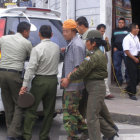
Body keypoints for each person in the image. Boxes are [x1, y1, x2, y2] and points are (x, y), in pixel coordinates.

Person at [61, 30, 118, 140]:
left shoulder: (94, 56)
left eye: (87, 41)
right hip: (92, 87)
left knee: (92, 117)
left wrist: (68, 77)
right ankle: (110, 132)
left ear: (93, 43)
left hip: (96, 87)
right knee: (95, 114)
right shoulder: (93, 53)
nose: (85, 43)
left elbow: (82, 70)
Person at [19, 25, 60, 140]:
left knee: (31, 109)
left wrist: (24, 85)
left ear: (39, 34)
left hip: (40, 81)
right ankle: (44, 136)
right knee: (49, 111)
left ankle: (27, 135)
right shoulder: (56, 47)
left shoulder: (37, 49)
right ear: (51, 35)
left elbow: (31, 68)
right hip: (52, 81)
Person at [0, 22, 32, 140]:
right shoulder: (26, 43)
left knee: (8, 105)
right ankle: (14, 133)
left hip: (2, 74)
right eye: (28, 32)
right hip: (15, 75)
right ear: (24, 31)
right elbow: (32, 58)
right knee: (19, 104)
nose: (28, 34)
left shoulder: (3, 38)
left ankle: (10, 132)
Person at [62, 19, 88, 140]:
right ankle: (85, 131)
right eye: (63, 31)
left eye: (66, 31)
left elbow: (78, 67)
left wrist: (67, 79)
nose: (63, 34)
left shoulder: (76, 45)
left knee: (69, 113)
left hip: (73, 86)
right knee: (72, 111)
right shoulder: (72, 43)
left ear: (73, 31)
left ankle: (72, 136)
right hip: (71, 85)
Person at [76, 16, 89, 118]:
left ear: (82, 26)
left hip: (88, 74)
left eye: (77, 26)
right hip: (86, 74)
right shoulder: (83, 37)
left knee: (86, 102)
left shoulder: (88, 37)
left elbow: (88, 57)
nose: (76, 29)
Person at [123, 23, 140, 100]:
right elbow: (126, 51)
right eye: (137, 28)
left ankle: (128, 88)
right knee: (133, 76)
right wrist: (134, 58)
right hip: (130, 58)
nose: (138, 29)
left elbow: (137, 48)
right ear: (133, 29)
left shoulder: (136, 37)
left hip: (137, 57)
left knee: (138, 76)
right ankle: (132, 93)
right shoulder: (127, 38)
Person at [97, 24, 114, 99]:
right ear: (97, 30)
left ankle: (106, 93)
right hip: (97, 61)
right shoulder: (94, 38)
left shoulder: (103, 38)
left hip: (103, 61)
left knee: (105, 77)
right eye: (101, 31)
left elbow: (108, 49)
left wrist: (107, 42)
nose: (103, 32)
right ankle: (104, 93)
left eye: (104, 31)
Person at [111, 18, 129, 86]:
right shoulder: (114, 30)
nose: (120, 24)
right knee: (117, 66)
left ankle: (128, 80)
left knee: (128, 65)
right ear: (117, 23)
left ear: (124, 23)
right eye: (119, 22)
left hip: (125, 50)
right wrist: (114, 47)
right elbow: (112, 40)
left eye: (122, 22)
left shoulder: (127, 30)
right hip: (117, 51)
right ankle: (119, 81)